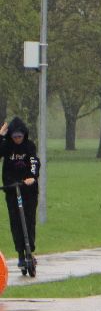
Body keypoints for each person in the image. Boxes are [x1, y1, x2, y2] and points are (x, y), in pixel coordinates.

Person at [2, 117, 39, 276]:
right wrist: (1, 136)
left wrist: (33, 176)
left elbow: (33, 161)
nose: (17, 140)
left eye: (20, 136)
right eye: (14, 137)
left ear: (24, 135)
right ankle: (20, 254)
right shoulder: (7, 146)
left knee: (29, 220)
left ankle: (30, 250)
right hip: (12, 189)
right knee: (15, 221)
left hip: (28, 189)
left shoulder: (29, 146)